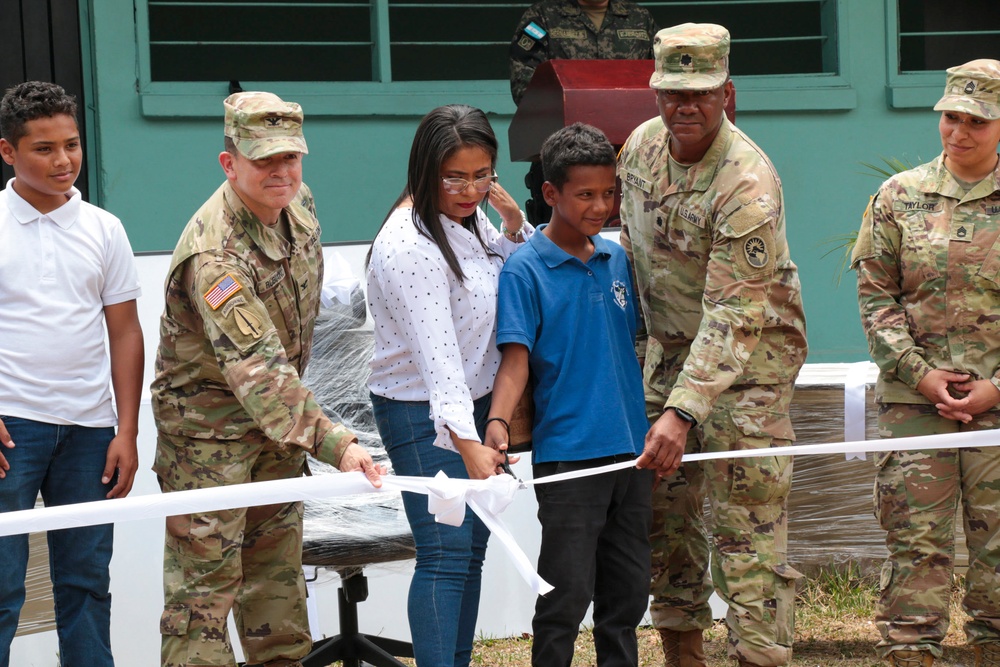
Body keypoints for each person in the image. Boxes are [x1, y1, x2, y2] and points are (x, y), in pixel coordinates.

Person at [150, 91, 383, 667]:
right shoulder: (215, 256)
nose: (281, 173)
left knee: (277, 594)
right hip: (209, 444)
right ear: (230, 163)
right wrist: (337, 443)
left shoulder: (298, 203)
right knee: (202, 601)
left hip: (276, 434)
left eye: (290, 158)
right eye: (264, 161)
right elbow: (257, 367)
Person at [618, 23, 808, 667]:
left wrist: (682, 411)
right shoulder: (640, 151)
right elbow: (634, 262)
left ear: (727, 92)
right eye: (673, 93)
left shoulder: (746, 181)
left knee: (746, 536)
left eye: (701, 93)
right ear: (655, 93)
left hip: (747, 375)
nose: (685, 107)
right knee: (663, 525)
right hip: (667, 361)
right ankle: (683, 656)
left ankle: (760, 656)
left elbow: (734, 314)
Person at [366, 103, 530, 667]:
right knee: (445, 551)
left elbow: (508, 270)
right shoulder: (410, 245)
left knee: (472, 548)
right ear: (425, 170)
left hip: (474, 400)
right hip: (421, 411)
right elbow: (438, 365)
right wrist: (467, 442)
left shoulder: (469, 216)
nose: (469, 189)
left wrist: (510, 222)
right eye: (454, 176)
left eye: (482, 174)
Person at [485, 122, 653, 667]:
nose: (601, 205)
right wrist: (497, 425)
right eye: (585, 194)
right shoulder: (525, 269)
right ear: (551, 193)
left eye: (609, 193)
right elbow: (514, 362)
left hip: (633, 452)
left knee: (626, 594)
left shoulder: (616, 257)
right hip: (570, 460)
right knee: (565, 596)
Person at [851, 59, 1000, 667]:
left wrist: (997, 388)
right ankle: (913, 654)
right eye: (950, 118)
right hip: (917, 407)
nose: (958, 132)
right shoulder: (899, 197)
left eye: (976, 122)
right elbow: (876, 296)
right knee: (917, 548)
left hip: (998, 412)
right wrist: (921, 373)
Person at [0, 81, 143, 666]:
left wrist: (126, 430)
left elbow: (126, 331)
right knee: (3, 587)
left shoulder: (104, 229)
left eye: (72, 144)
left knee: (86, 583)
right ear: (8, 152)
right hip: (12, 429)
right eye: (44, 149)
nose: (63, 161)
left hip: (91, 433)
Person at [508, 0, 657, 226]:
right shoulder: (543, 17)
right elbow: (525, 89)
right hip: (563, 158)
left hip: (635, 162)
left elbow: (660, 84)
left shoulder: (640, 18)